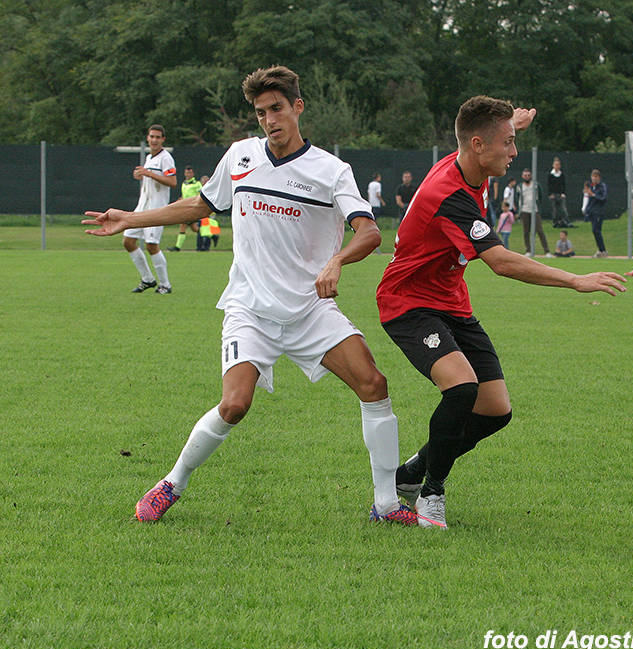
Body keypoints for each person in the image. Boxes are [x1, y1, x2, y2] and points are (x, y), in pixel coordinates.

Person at [83, 65, 421, 526]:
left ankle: (386, 505)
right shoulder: (241, 156)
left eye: (277, 108)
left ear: (298, 107)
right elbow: (201, 205)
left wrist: (337, 260)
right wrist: (131, 219)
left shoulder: (330, 170)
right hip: (250, 310)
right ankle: (171, 483)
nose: (269, 119)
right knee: (234, 405)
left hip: (309, 310)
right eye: (261, 112)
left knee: (374, 385)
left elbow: (369, 232)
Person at [377, 95, 625, 528]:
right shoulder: (449, 193)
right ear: (477, 145)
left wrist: (515, 123)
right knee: (461, 389)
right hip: (408, 303)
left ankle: (411, 474)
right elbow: (501, 262)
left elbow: (490, 130)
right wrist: (575, 279)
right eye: (508, 144)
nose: (513, 152)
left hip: (451, 301)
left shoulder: (473, 162)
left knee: (496, 410)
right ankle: (431, 493)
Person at [124, 124, 177, 294]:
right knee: (128, 241)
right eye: (151, 136)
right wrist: (140, 175)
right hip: (143, 207)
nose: (154, 140)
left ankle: (165, 284)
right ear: (147, 138)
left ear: (163, 139)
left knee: (152, 244)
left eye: (157, 137)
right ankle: (148, 279)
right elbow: (149, 178)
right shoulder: (149, 157)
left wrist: (149, 174)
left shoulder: (165, 158)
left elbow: (172, 181)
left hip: (156, 209)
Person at [516, 168, 552, 257]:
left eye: (528, 175)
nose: (527, 177)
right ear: (522, 176)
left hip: (535, 210)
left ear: (531, 176)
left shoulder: (536, 185)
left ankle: (547, 251)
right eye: (525, 175)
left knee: (540, 230)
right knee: (526, 231)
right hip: (525, 210)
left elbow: (540, 196)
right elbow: (517, 198)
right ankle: (528, 250)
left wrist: (538, 207)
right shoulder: (519, 187)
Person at [168, 165, 200, 252]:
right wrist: (181, 199)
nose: (188, 174)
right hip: (186, 208)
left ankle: (177, 247)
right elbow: (185, 195)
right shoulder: (184, 184)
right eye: (186, 172)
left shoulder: (197, 184)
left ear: (193, 173)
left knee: (183, 225)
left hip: (193, 208)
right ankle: (210, 236)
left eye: (190, 172)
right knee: (194, 228)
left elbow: (200, 196)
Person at [584, 169, 608, 257]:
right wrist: (587, 210)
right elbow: (589, 200)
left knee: (596, 230)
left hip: (599, 212)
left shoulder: (602, 186)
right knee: (595, 231)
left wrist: (593, 195)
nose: (594, 178)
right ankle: (600, 249)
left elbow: (603, 198)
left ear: (599, 177)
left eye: (595, 176)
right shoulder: (591, 186)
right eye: (592, 176)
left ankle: (603, 250)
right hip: (592, 212)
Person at [548, 156, 570, 228]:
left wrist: (563, 193)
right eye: (555, 165)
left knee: (563, 209)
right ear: (553, 165)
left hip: (560, 194)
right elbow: (549, 185)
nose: (557, 166)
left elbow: (563, 185)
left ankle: (566, 221)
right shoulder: (551, 174)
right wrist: (550, 194)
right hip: (553, 194)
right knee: (554, 210)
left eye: (558, 165)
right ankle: (555, 222)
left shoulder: (561, 174)